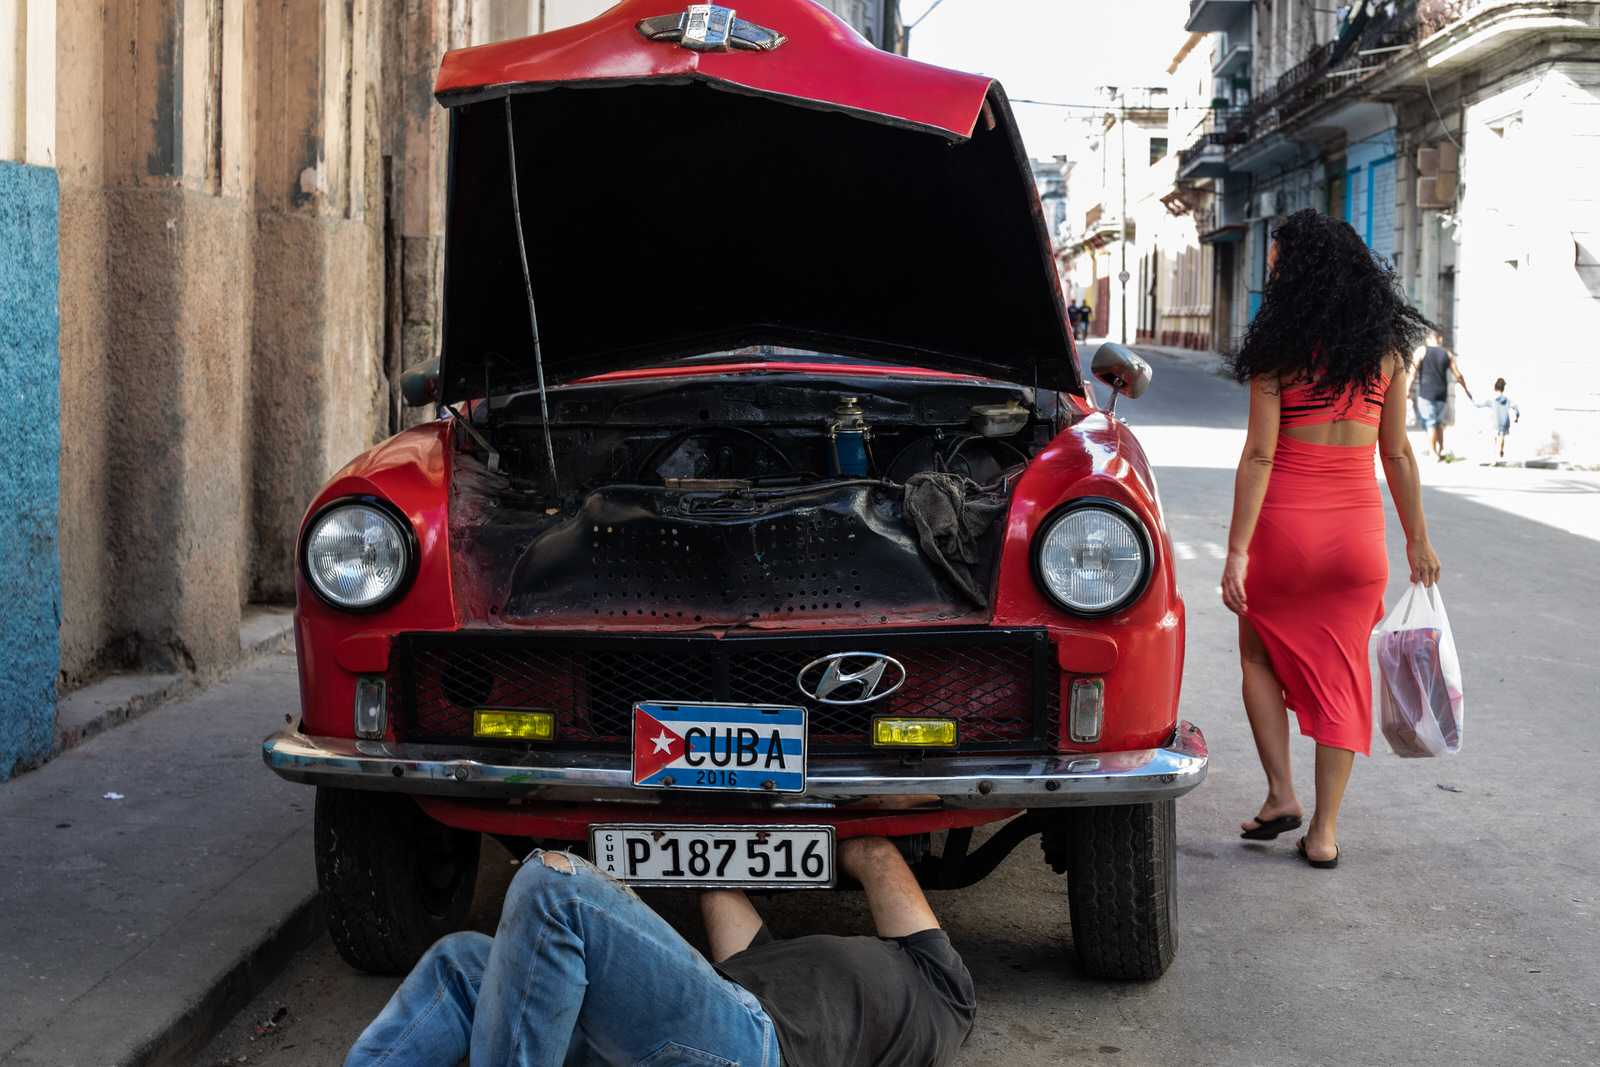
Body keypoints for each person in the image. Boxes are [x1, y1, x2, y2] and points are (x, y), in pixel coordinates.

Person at [344, 835, 975, 1066]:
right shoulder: (783, 975)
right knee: (461, 962)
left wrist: (813, 833)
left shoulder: (940, 986)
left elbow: (877, 854)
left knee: (552, 887)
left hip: (753, 1046)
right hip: (719, 1011)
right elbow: (716, 885)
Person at [1220, 209, 1441, 870]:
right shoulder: (1387, 350)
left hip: (1286, 533)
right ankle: (1325, 832)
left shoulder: (1278, 352)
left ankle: (1280, 791)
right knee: (1344, 678)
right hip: (1357, 541)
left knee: (1258, 653)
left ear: (1301, 273)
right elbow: (1397, 453)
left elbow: (1259, 456)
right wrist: (1418, 541)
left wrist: (1236, 549)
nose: (1271, 276)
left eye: (1277, 266)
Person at [1412, 328, 1472, 461]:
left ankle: (1434, 453)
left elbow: (1412, 372)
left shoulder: (1422, 351)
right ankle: (1441, 448)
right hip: (1442, 394)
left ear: (1428, 339)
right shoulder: (1447, 354)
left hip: (1427, 394)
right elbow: (1458, 374)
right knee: (1438, 422)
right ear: (1440, 339)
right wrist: (1466, 389)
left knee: (1430, 423)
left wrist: (1405, 391)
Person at [1476, 377, 1520, 459]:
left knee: (1494, 437)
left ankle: (1493, 456)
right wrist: (1517, 417)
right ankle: (1501, 449)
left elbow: (1479, 405)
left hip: (1495, 423)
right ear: (1503, 389)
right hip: (1504, 423)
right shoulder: (1508, 400)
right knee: (1502, 437)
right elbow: (1516, 408)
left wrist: (1471, 399)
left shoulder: (1492, 400)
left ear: (1494, 388)